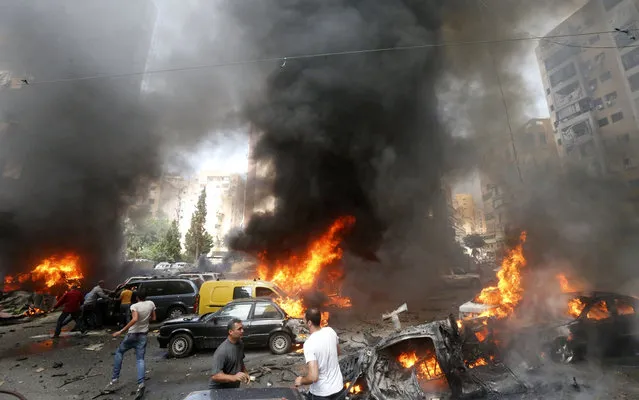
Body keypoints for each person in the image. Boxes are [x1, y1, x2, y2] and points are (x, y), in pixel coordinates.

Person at [104, 290, 156, 398]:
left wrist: (121, 331)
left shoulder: (134, 306)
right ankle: (141, 384)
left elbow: (135, 319)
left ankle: (114, 380)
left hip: (132, 335)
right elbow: (154, 318)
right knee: (140, 359)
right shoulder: (151, 304)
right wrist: (145, 321)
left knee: (119, 352)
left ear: (137, 297)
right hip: (143, 335)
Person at [295, 308, 344, 400]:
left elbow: (313, 377)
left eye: (304, 319)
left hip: (322, 394)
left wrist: (301, 380)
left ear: (309, 323)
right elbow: (338, 352)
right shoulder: (330, 331)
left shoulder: (309, 344)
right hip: (339, 390)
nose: (303, 321)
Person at [209, 318, 250, 389]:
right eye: (239, 329)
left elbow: (240, 361)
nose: (242, 331)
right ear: (230, 332)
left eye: (242, 328)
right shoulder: (222, 351)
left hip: (233, 388)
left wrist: (245, 372)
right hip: (219, 391)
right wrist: (234, 377)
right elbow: (215, 376)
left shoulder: (240, 343)